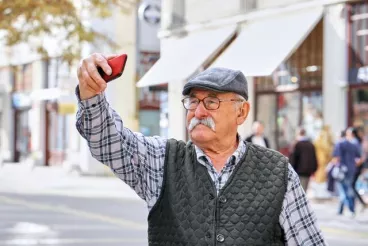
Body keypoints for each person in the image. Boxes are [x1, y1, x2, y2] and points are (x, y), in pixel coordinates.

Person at [75, 53, 326, 245]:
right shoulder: (163, 161)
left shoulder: (277, 173)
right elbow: (108, 142)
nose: (199, 111)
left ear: (241, 112)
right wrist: (91, 96)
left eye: (212, 102)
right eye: (193, 101)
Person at [332, 127, 362, 217]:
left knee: (344, 191)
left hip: (342, 170)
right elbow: (359, 157)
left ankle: (351, 209)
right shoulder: (353, 144)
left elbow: (336, 158)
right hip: (351, 169)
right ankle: (340, 210)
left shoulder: (339, 144)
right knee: (347, 189)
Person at [289, 127, 318, 192]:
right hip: (308, 171)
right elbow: (314, 158)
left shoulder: (297, 144)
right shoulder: (311, 144)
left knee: (299, 190)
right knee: (304, 189)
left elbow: (293, 159)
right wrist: (314, 169)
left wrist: (291, 169)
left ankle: (302, 201)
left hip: (298, 171)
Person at [351, 127, 367, 211]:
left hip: (357, 168)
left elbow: (362, 157)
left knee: (352, 186)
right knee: (352, 186)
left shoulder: (356, 143)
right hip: (358, 168)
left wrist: (359, 164)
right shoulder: (358, 142)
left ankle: (360, 203)